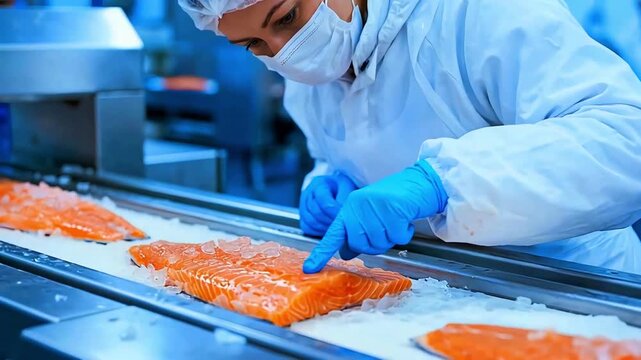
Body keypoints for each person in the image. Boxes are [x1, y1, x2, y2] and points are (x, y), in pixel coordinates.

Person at [179, 0, 641, 274]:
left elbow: (625, 140)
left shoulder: (475, 13)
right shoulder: (303, 81)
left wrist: (444, 185)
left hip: (577, 287)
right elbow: (339, 150)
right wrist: (330, 182)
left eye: (287, 17)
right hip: (439, 290)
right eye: (254, 45)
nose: (285, 53)